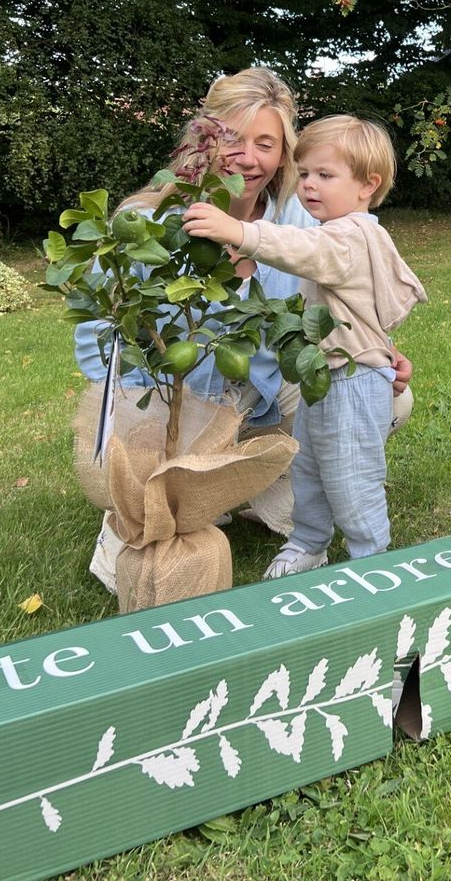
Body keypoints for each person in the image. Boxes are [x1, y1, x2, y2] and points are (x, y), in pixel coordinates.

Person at [74, 69, 413, 590]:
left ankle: (251, 488)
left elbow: (348, 280)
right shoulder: (151, 220)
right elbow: (98, 329)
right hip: (177, 397)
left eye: (265, 144)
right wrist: (139, 411)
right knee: (137, 490)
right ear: (204, 138)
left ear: (283, 153)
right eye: (231, 137)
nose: (247, 158)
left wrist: (378, 347)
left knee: (382, 400)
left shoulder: (306, 215)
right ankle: (185, 493)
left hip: (262, 397)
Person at [184, 114, 427, 579]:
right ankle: (309, 543)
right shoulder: (343, 230)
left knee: (351, 475)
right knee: (309, 468)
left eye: (325, 175)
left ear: (368, 185)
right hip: (325, 374)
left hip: (351, 381)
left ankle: (372, 561)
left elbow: (299, 248)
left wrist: (238, 231)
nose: (309, 185)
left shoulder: (349, 235)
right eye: (305, 173)